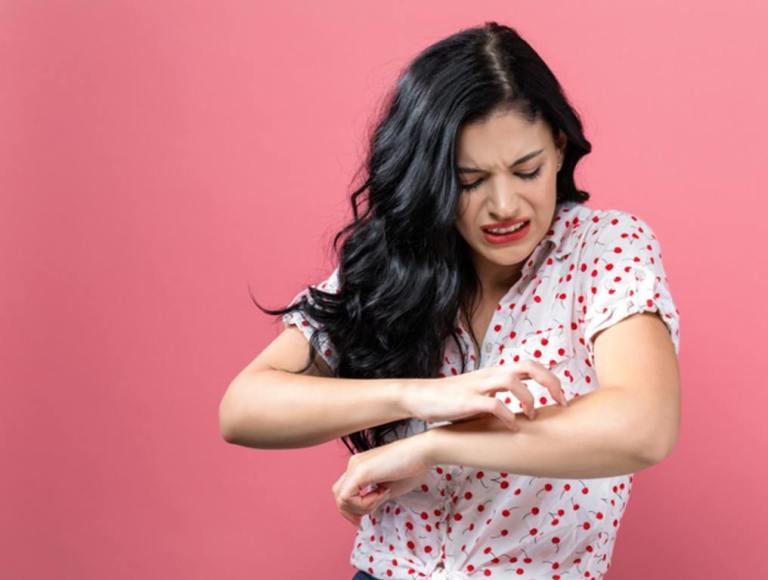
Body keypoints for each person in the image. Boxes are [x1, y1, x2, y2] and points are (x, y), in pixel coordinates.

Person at [219, 21, 682, 580]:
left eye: (527, 170)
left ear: (560, 150)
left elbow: (644, 425)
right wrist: (424, 396)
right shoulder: (397, 264)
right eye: (469, 181)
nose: (504, 204)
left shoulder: (605, 248)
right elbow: (243, 408)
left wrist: (437, 447)